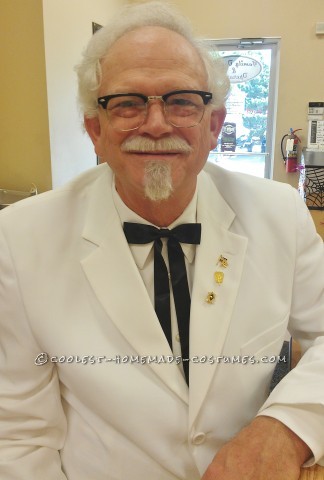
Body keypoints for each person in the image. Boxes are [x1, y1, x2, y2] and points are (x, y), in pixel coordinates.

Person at [0, 2, 323, 479]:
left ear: (213, 126)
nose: (155, 125)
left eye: (182, 101)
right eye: (128, 103)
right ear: (96, 130)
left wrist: (288, 426)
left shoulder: (280, 214)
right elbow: (20, 431)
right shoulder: (21, 238)